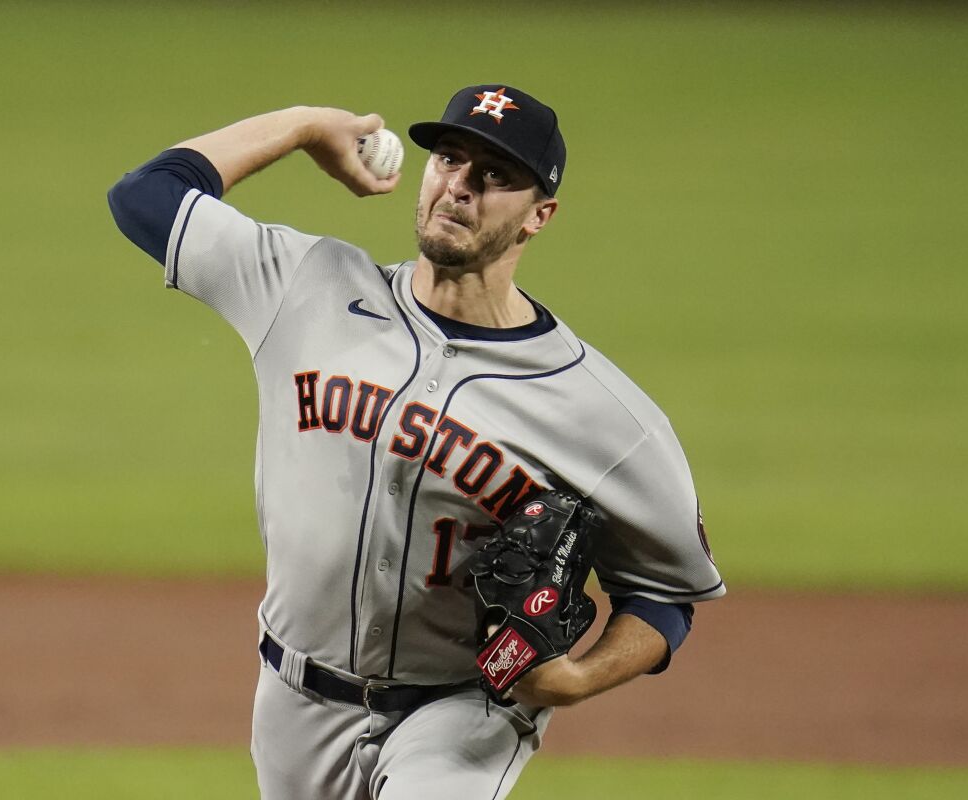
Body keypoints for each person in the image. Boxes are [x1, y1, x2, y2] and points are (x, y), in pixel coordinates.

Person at [108, 85, 724, 799]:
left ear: (538, 216)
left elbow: (665, 592)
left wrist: (578, 678)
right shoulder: (306, 287)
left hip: (463, 710)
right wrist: (306, 125)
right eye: (450, 160)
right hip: (292, 701)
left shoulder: (604, 414)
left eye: (493, 176)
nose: (460, 187)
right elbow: (146, 195)